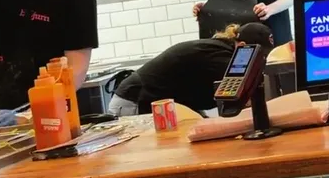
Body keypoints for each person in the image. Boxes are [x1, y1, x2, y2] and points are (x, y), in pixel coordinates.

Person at [107, 22, 273, 116]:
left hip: (165, 102)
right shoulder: (223, 58)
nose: (261, 60)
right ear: (243, 46)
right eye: (259, 55)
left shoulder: (222, 48)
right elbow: (242, 101)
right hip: (134, 101)